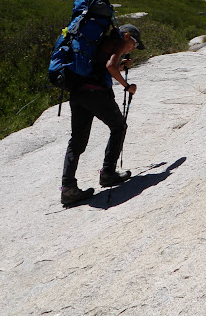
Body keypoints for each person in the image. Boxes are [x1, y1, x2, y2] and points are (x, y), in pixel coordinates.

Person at [60, 23, 146, 206]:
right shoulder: (120, 42)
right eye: (135, 44)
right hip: (96, 93)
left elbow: (101, 66)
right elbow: (110, 66)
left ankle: (68, 188)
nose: (133, 48)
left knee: (77, 142)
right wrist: (127, 86)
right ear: (127, 35)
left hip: (78, 93)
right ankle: (108, 173)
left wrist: (120, 65)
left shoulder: (98, 42)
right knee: (119, 126)